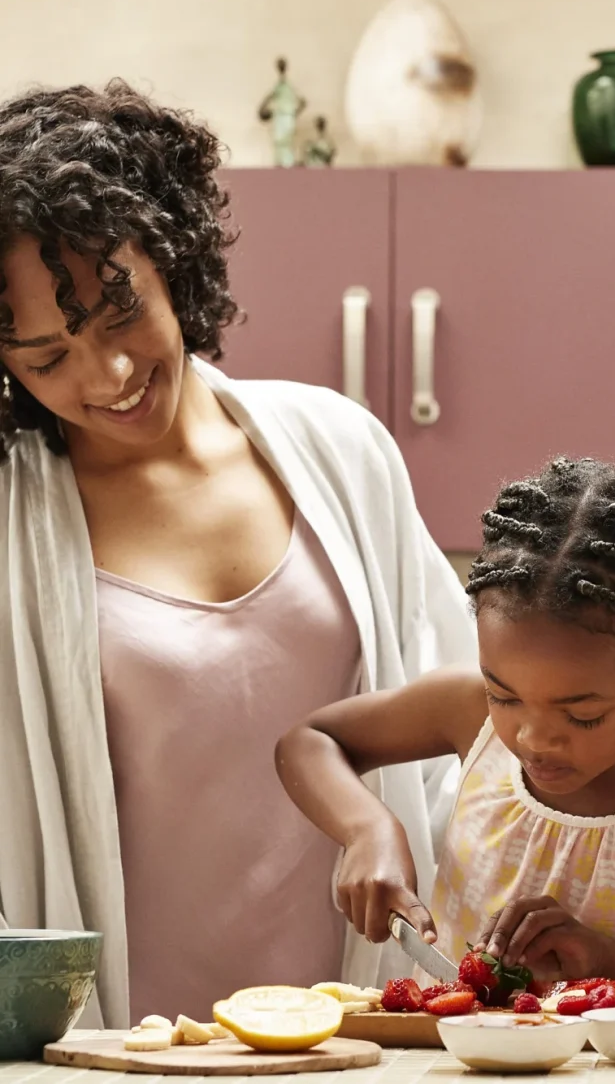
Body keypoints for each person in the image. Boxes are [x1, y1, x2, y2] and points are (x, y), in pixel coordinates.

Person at [0, 81, 476, 1027]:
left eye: (119, 311)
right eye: (48, 359)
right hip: (124, 1047)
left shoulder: (342, 449)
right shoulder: (11, 525)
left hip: (367, 1031)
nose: (111, 374)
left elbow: (463, 738)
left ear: (170, 255)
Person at [276, 457, 615, 1025]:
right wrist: (368, 830)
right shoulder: (466, 709)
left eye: (582, 716)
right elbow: (309, 740)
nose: (529, 738)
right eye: (504, 696)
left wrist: (610, 963)